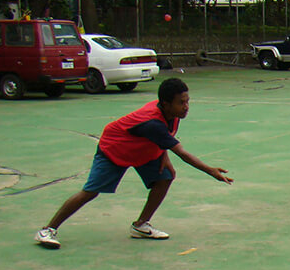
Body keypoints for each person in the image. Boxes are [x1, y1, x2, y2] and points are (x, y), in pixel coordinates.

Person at [33, 77, 233, 249]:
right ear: (165, 103)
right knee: (90, 191)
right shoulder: (152, 122)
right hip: (115, 150)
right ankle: (47, 230)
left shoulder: (172, 114)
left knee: (166, 177)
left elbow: (165, 137)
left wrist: (163, 155)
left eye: (187, 101)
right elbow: (180, 152)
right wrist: (210, 170)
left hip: (141, 149)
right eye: (182, 103)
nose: (186, 106)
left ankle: (141, 225)